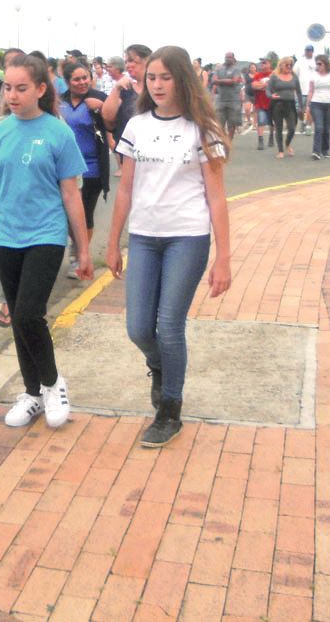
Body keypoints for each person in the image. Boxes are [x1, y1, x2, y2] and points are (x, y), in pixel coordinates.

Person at [0, 54, 92, 430]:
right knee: (17, 317)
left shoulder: (58, 133)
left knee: (29, 313)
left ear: (41, 89)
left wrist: (83, 250)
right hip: (6, 235)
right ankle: (32, 393)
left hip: (46, 233)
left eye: (21, 88)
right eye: (8, 88)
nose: (12, 95)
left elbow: (71, 194)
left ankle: (53, 384)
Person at [105, 45, 232, 448]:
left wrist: (224, 258)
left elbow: (216, 197)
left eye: (166, 77)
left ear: (182, 80)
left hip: (187, 237)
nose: (157, 85)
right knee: (139, 328)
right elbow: (125, 189)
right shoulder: (136, 125)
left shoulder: (202, 129)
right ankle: (160, 367)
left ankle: (169, 410)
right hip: (144, 237)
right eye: (151, 78)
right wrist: (113, 243)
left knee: (170, 326)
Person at [58, 60, 109, 279]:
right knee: (67, 214)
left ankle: (81, 257)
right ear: (67, 82)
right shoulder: (58, 102)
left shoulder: (99, 98)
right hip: (65, 169)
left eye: (85, 78)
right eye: (76, 79)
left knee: (84, 213)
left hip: (91, 168)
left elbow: (114, 122)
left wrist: (102, 108)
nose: (82, 82)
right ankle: (76, 246)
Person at [304, 54, 330, 160]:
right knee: (319, 127)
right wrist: (308, 105)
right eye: (317, 64)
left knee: (326, 128)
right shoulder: (313, 75)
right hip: (316, 102)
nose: (318, 66)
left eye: (320, 64)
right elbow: (311, 91)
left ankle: (325, 149)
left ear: (325, 64)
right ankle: (316, 151)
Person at [267, 56, 302, 158]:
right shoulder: (274, 76)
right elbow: (268, 90)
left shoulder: (294, 76)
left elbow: (299, 92)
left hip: (290, 104)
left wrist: (301, 106)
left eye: (291, 65)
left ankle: (287, 144)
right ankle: (280, 151)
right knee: (278, 128)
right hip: (277, 104)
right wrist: (271, 96)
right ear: (281, 65)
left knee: (292, 128)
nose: (289, 67)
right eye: (287, 65)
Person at [210, 51, 243, 140]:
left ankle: (229, 141)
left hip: (234, 101)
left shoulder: (236, 70)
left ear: (233, 58)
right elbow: (213, 80)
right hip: (221, 100)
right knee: (219, 124)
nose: (227, 59)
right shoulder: (219, 69)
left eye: (229, 57)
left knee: (232, 124)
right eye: (226, 57)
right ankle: (224, 140)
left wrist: (220, 81)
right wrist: (228, 81)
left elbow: (234, 81)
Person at [251, 57, 273, 151]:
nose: (262, 64)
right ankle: (260, 140)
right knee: (261, 121)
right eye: (261, 63)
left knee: (272, 122)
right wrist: (265, 85)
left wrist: (260, 85)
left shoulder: (273, 74)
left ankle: (271, 136)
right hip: (260, 103)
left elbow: (275, 86)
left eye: (265, 63)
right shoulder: (257, 75)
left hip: (272, 102)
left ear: (269, 64)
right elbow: (254, 86)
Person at [297, 44, 317, 134]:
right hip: (301, 90)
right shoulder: (300, 61)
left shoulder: (316, 61)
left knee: (310, 110)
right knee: (299, 110)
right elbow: (295, 73)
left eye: (309, 50)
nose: (308, 52)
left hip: (312, 91)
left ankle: (308, 126)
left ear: (312, 51)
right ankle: (302, 122)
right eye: (306, 50)